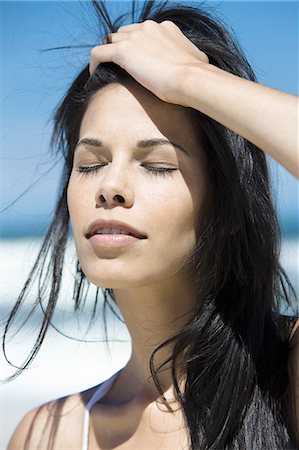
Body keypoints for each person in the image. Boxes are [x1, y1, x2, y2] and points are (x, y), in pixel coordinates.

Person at [4, 1, 298, 449]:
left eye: (157, 164)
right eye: (90, 164)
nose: (110, 186)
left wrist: (190, 79)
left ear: (226, 210)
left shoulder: (286, 376)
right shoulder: (48, 434)